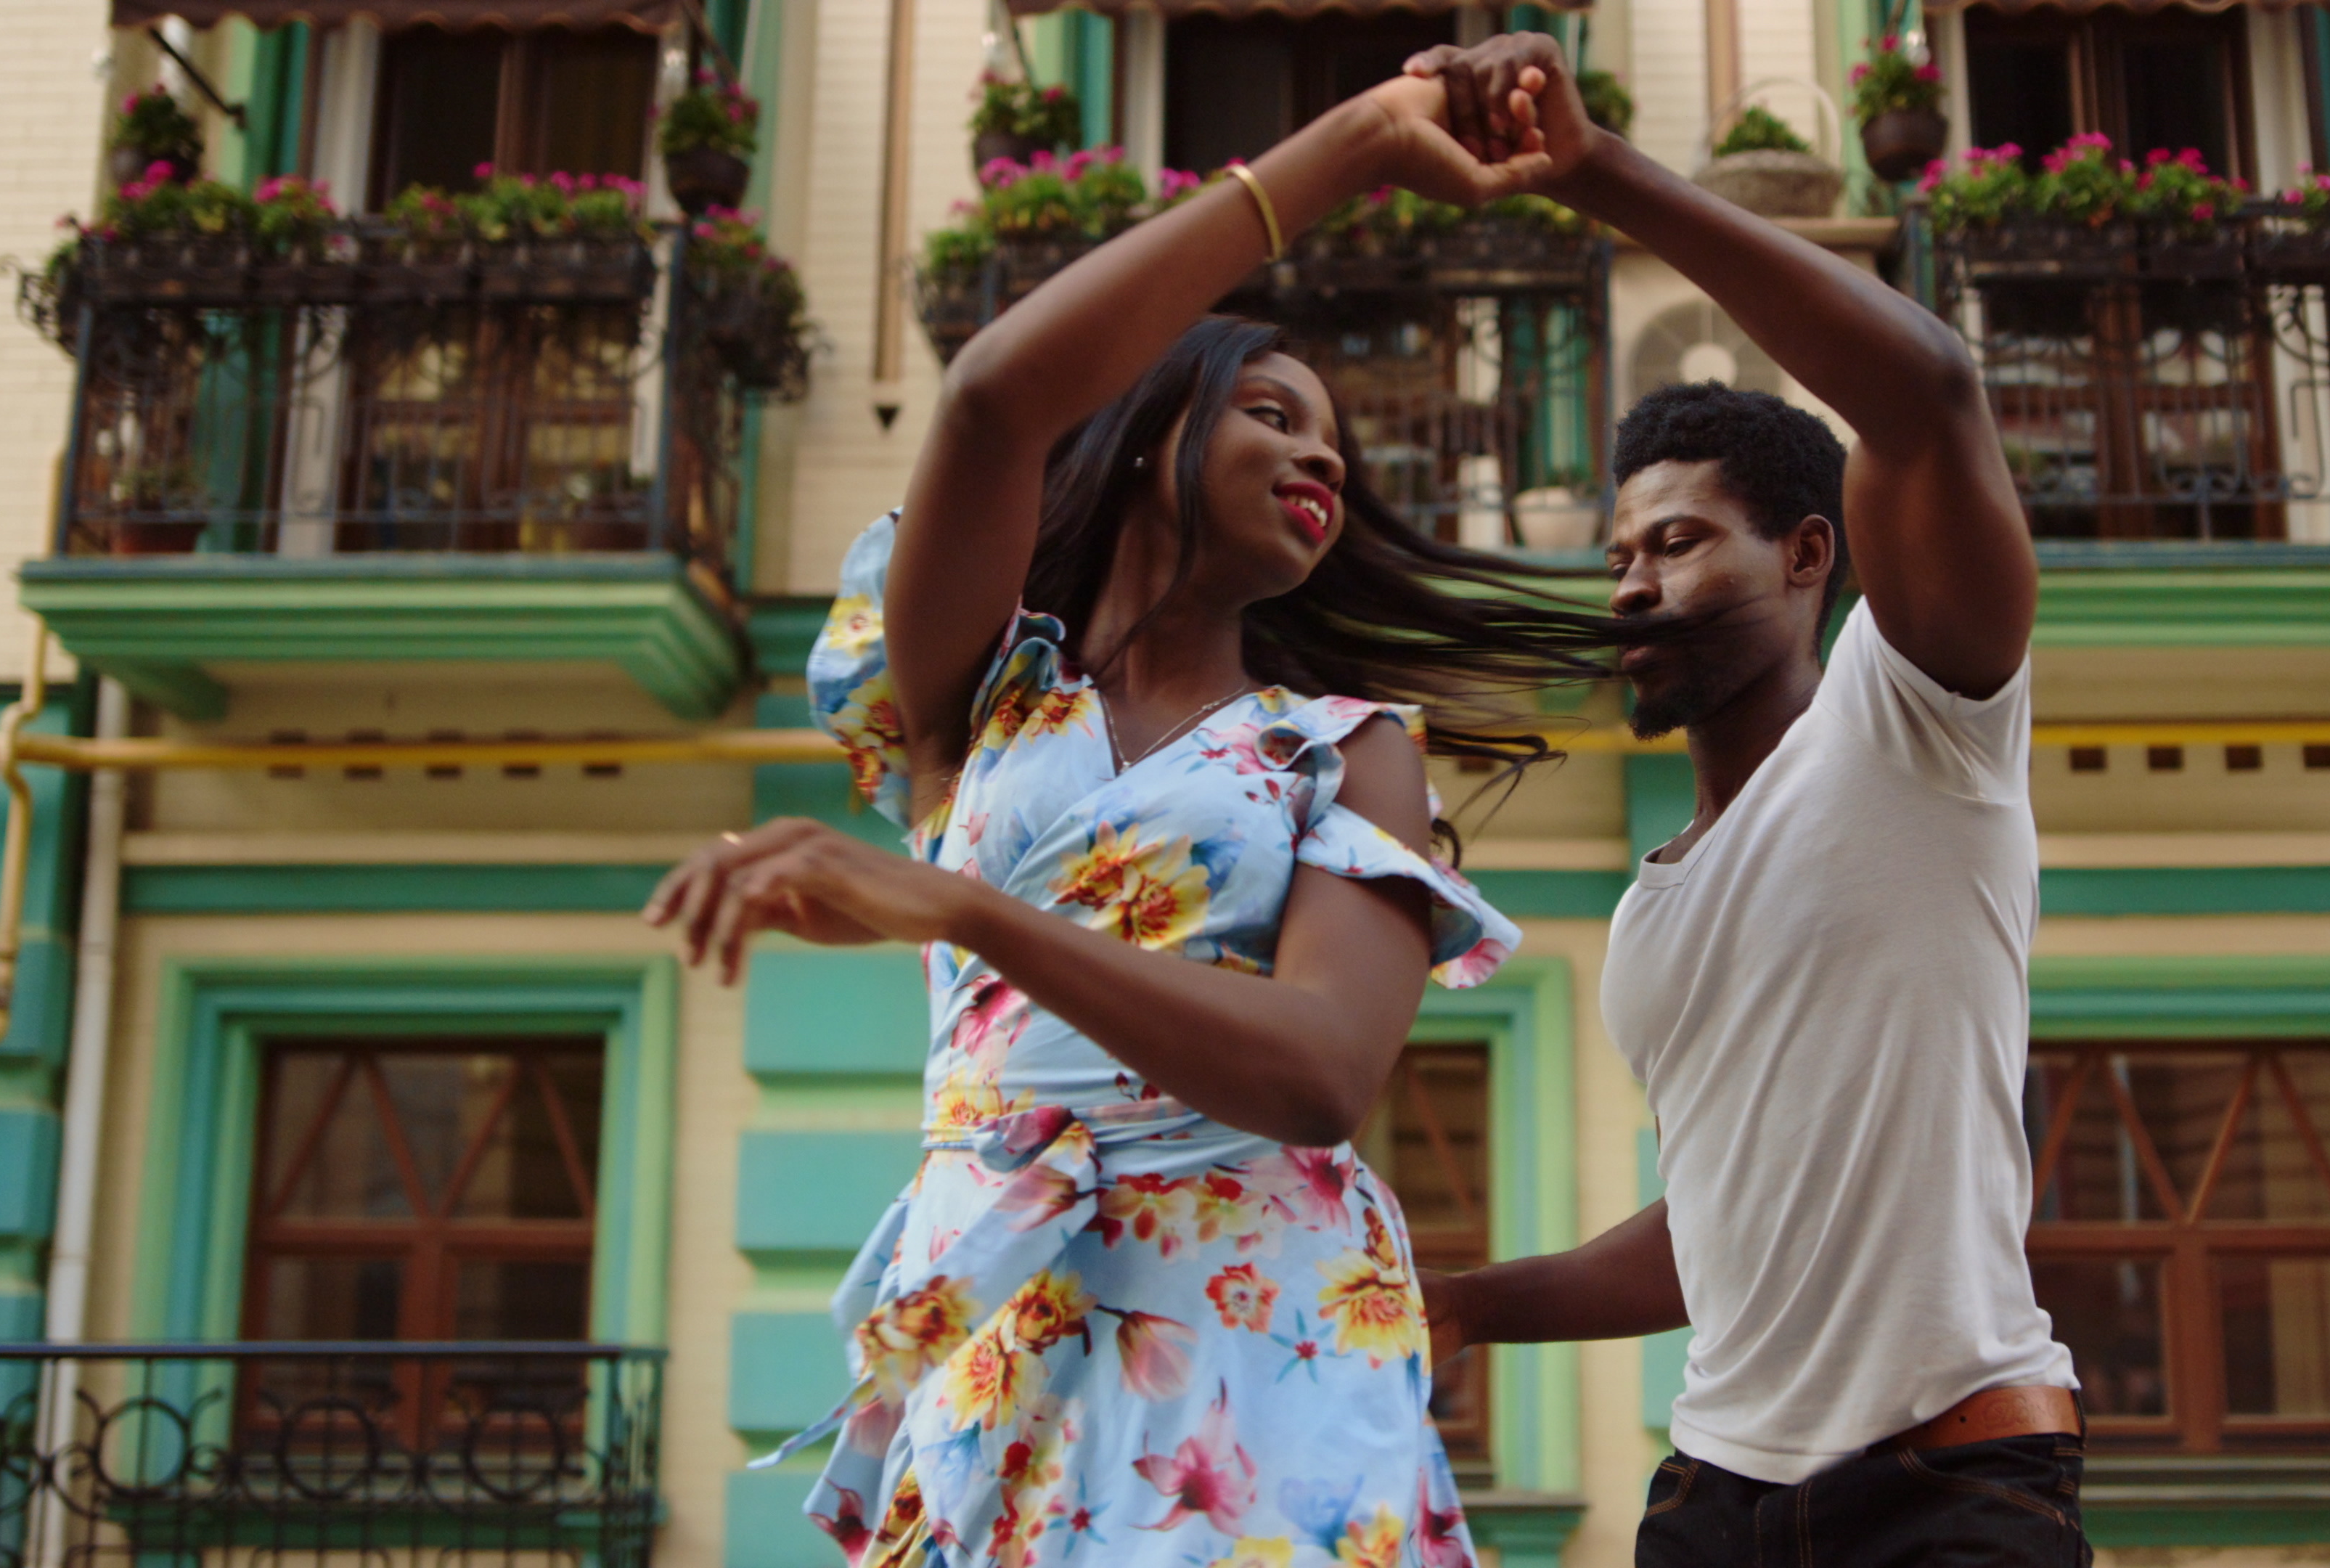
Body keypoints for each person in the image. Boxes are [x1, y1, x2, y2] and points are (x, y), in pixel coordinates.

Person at [641, 76, 1613, 1568]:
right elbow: (991, 398)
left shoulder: (1347, 757)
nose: (1326, 458)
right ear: (1159, 432)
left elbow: (1320, 1074)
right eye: (1274, 414)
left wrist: (971, 913)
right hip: (995, 1327)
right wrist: (1357, 142)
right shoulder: (979, 693)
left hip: (1253, 1338)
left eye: (1336, 444)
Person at [1404, 36, 2086, 1568]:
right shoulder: (1654, 908)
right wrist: (1469, 1303)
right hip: (1713, 1494)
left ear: (1806, 557)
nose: (1636, 582)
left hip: (1950, 1492)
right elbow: (1724, 1235)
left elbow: (1926, 395)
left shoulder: (1916, 726)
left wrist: (1595, 175)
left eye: (1683, 542)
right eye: (1619, 557)